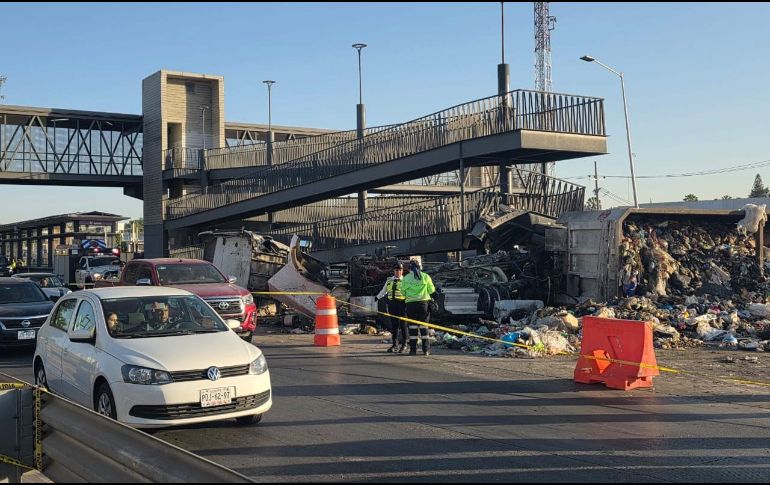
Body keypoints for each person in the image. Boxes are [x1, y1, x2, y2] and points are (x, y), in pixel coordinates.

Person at [401, 260, 437, 356]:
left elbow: (403, 292)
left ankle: (413, 350)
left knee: (412, 328)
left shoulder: (406, 278)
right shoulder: (425, 276)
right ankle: (426, 350)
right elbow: (432, 290)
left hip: (410, 305)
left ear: (409, 268)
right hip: (423, 305)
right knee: (424, 327)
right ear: (419, 267)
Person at [376, 262, 408, 353]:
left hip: (402, 305)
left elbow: (409, 293)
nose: (398, 272)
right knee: (394, 326)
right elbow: (384, 290)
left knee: (403, 325)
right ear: (394, 271)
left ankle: (404, 344)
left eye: (400, 270)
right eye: (397, 270)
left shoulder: (405, 281)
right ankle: (395, 344)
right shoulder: (389, 280)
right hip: (392, 305)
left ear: (402, 271)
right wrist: (377, 297)